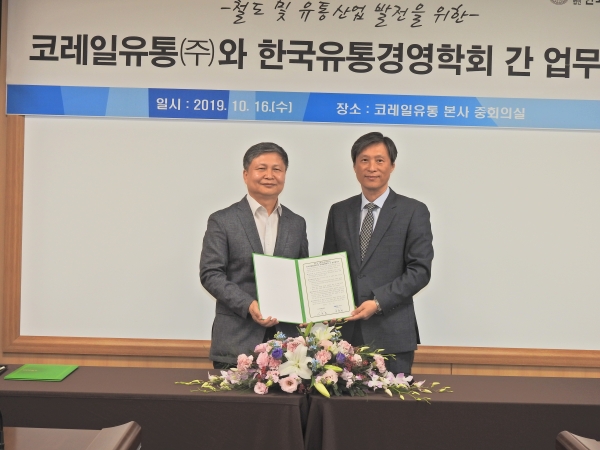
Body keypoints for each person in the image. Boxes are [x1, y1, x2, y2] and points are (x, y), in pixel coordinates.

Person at [322, 132, 433, 375]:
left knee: (391, 401)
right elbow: (329, 267)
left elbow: (419, 271)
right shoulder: (339, 211)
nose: (371, 167)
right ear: (354, 166)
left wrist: (378, 302)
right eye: (364, 160)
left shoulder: (413, 211)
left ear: (392, 165)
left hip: (392, 334)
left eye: (379, 160)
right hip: (344, 336)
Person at [200, 142, 309, 369]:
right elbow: (211, 274)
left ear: (285, 175)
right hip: (236, 344)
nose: (269, 175)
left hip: (287, 347)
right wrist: (249, 304)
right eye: (261, 168)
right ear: (246, 174)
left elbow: (301, 276)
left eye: (277, 169)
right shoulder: (222, 220)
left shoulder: (297, 223)